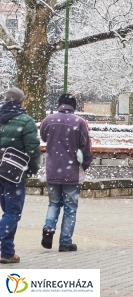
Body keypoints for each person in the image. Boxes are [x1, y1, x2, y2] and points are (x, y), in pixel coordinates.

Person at [40, 93, 93, 253]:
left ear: (59, 104)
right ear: (74, 106)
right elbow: (86, 147)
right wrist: (84, 164)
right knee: (70, 207)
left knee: (54, 203)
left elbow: (43, 137)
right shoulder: (79, 122)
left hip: (52, 169)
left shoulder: (48, 120)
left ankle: (48, 229)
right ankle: (65, 242)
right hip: (72, 172)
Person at [0, 88, 41, 263]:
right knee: (13, 212)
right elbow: (32, 149)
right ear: (21, 102)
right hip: (13, 172)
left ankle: (7, 253)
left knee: (8, 212)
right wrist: (32, 169)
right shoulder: (26, 121)